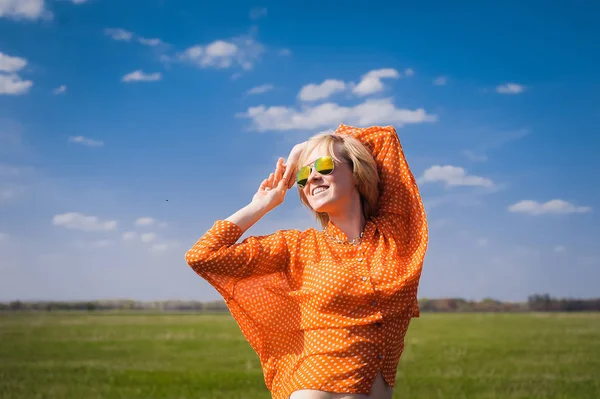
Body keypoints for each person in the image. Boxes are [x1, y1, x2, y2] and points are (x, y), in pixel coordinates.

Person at [185, 124, 428, 399]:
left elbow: (386, 138)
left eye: (323, 166)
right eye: (303, 174)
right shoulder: (296, 247)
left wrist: (302, 149)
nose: (311, 178)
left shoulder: (394, 236)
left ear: (357, 175)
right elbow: (203, 255)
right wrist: (261, 204)